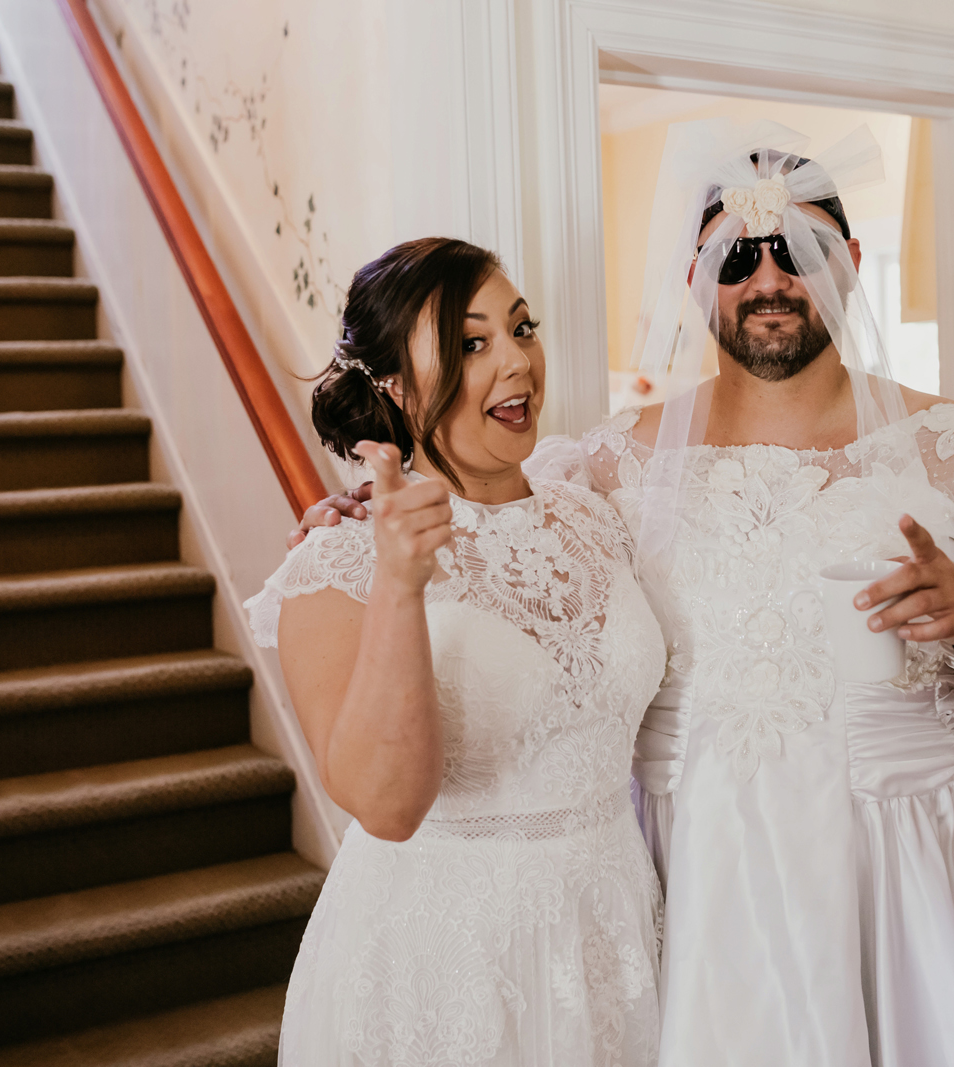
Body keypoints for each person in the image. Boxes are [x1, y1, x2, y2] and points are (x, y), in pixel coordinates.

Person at [295, 120, 954, 1066]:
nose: (768, 281)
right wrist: (357, 515)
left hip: (906, 880)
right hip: (694, 888)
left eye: (798, 251)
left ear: (849, 262)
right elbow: (488, 527)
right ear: (695, 278)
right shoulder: (605, 470)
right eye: (737, 258)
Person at [246, 237, 667, 1066]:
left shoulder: (595, 515)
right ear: (395, 386)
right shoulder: (335, 564)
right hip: (448, 963)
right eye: (472, 344)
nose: (515, 362)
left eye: (521, 328)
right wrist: (401, 584)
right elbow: (387, 806)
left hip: (615, 933)